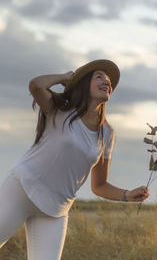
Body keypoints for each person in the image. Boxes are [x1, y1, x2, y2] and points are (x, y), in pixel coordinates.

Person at [0, 59, 149, 260]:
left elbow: (100, 185)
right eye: (99, 77)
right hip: (22, 191)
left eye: (109, 81)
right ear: (83, 84)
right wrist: (67, 77)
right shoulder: (59, 109)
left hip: (55, 211)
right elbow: (36, 85)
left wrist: (127, 195)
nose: (107, 82)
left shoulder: (107, 134)